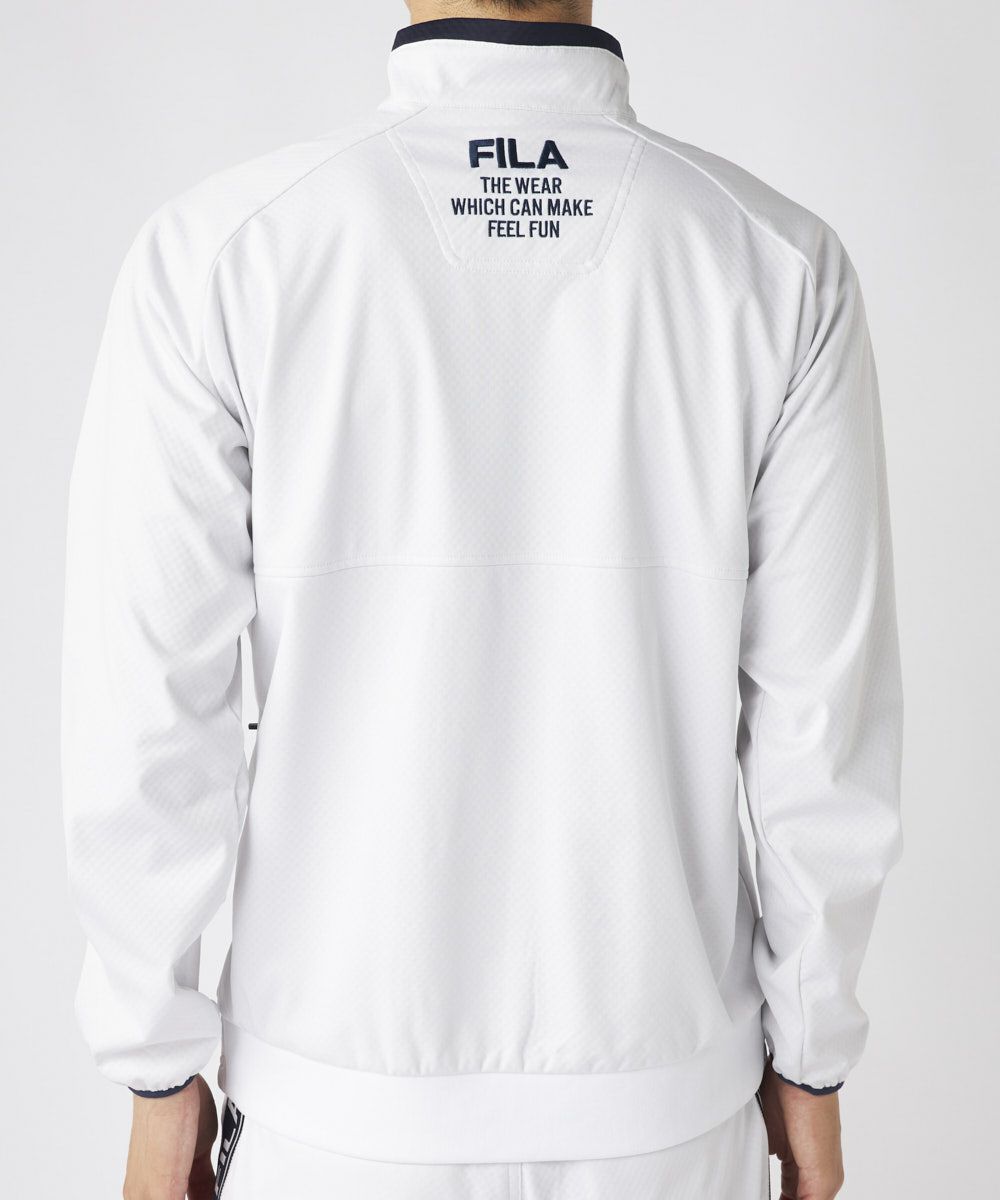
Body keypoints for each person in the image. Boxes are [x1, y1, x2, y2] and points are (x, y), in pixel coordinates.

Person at [60, 1, 904, 1197]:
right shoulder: (777, 263)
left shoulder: (222, 255)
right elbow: (823, 731)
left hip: (333, 1123)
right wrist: (810, 1062)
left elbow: (145, 718)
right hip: (664, 1116)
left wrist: (157, 1074)